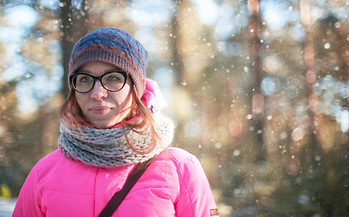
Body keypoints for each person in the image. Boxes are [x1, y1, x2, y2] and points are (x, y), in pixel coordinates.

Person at [13, 28, 219, 217]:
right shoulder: (45, 171)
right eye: (85, 79)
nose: (97, 93)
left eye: (112, 78)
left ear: (136, 87)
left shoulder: (180, 168)